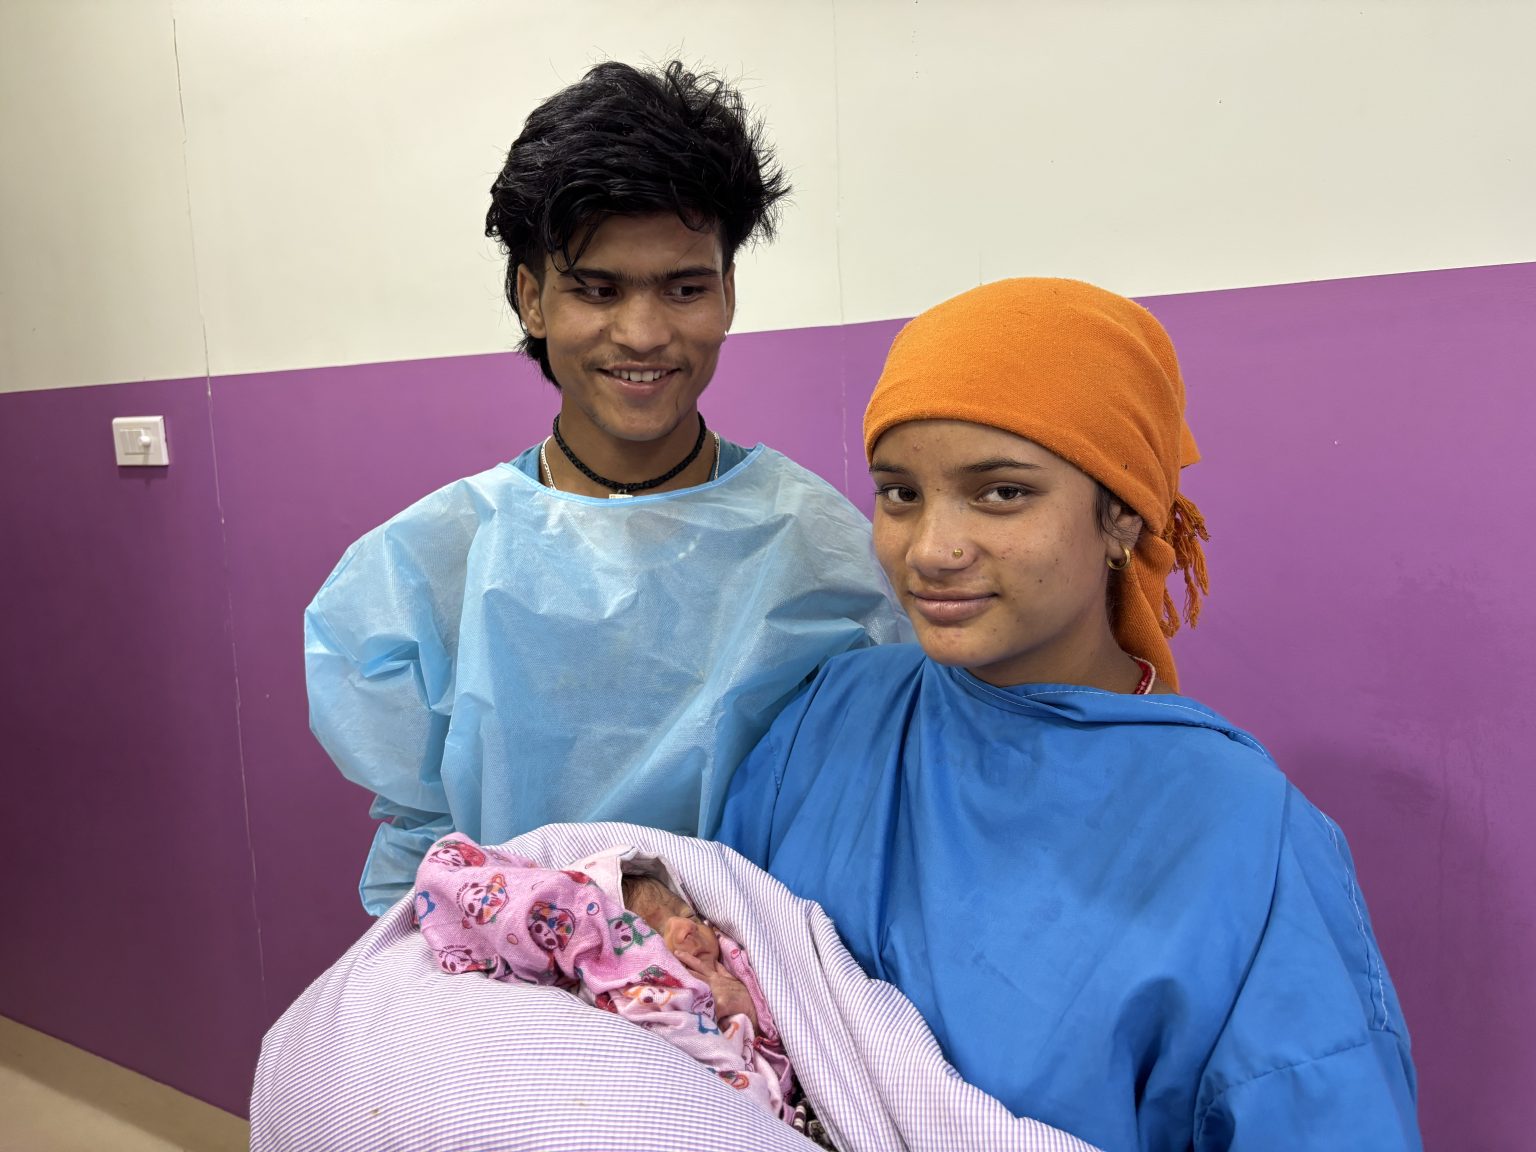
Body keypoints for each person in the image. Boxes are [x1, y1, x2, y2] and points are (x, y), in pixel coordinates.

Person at [718, 279, 1422, 1151]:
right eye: (900, 493)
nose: (931, 549)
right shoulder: (827, 723)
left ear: (1122, 514)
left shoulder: (1242, 835)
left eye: (1001, 493)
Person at [305, 60, 906, 914]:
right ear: (532, 298)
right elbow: (423, 857)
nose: (644, 333)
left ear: (728, 294)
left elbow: (862, 824)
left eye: (684, 288)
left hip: (760, 966)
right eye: (598, 289)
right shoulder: (429, 566)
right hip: (505, 967)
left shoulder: (818, 551)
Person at [412, 834, 802, 1127]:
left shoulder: (735, 961)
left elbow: (788, 1024)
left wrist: (749, 1006)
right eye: (653, 930)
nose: (684, 928)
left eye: (686, 914)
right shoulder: (627, 991)